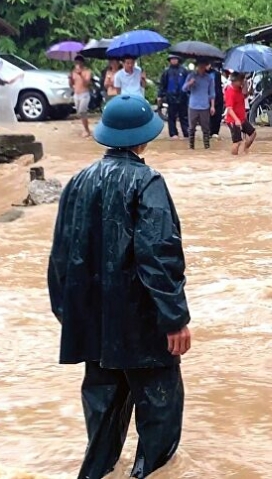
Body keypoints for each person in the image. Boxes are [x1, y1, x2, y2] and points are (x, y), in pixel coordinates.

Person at [46, 94, 191, 479]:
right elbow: (158, 254)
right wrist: (174, 319)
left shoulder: (78, 182)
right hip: (141, 325)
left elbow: (60, 256)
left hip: (94, 324)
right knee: (159, 410)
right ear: (144, 138)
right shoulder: (147, 182)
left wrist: (70, 316)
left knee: (102, 414)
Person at [183, 61, 215, 150]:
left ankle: (207, 147)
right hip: (193, 105)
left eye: (203, 66)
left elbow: (212, 93)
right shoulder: (191, 76)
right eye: (200, 66)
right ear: (197, 66)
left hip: (205, 105)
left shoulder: (209, 78)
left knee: (206, 128)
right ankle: (191, 147)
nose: (201, 68)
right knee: (191, 128)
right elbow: (184, 89)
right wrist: (190, 83)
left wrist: (212, 106)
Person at [157, 54, 189, 139]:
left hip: (183, 96)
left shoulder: (184, 71)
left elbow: (188, 83)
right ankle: (173, 133)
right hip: (171, 97)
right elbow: (162, 85)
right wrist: (160, 96)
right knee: (171, 116)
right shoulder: (166, 72)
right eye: (172, 59)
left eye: (175, 59)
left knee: (184, 116)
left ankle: (186, 132)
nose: (174, 60)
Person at [224, 72, 256, 156]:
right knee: (237, 142)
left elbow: (243, 97)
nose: (242, 82)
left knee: (253, 133)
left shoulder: (239, 89)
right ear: (235, 81)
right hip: (233, 120)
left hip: (242, 118)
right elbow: (229, 109)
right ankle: (234, 158)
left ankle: (245, 149)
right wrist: (236, 120)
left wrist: (249, 90)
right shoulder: (230, 91)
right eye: (241, 81)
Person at [69, 55, 94, 138]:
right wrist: (70, 78)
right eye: (76, 63)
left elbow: (87, 83)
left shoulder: (87, 71)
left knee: (82, 111)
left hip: (84, 94)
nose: (78, 64)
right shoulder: (73, 72)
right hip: (76, 94)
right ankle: (85, 127)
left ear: (82, 63)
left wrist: (81, 75)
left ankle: (86, 130)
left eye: (79, 62)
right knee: (80, 113)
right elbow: (71, 85)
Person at [210, 62, 225, 141]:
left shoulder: (217, 74)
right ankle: (209, 132)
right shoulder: (203, 74)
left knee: (217, 116)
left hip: (218, 97)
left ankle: (215, 132)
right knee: (209, 117)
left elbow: (219, 87)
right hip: (207, 98)